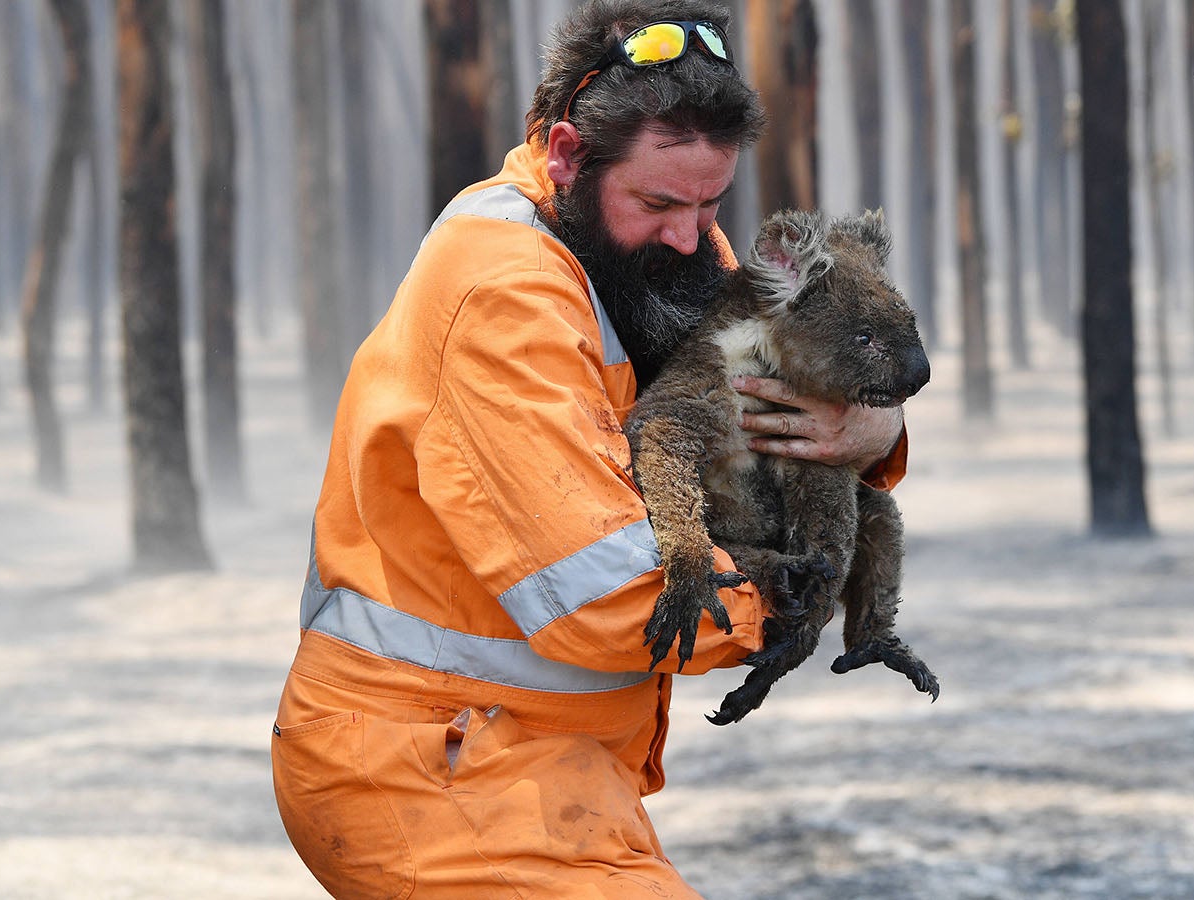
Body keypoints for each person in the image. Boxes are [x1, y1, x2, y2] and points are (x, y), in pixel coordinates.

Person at [270, 1, 908, 896]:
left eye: (712, 201)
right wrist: (795, 594)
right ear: (569, 154)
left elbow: (775, 391)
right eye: (661, 203)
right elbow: (606, 592)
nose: (695, 236)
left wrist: (875, 431)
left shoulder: (649, 242)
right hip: (427, 766)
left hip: (541, 762)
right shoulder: (506, 294)